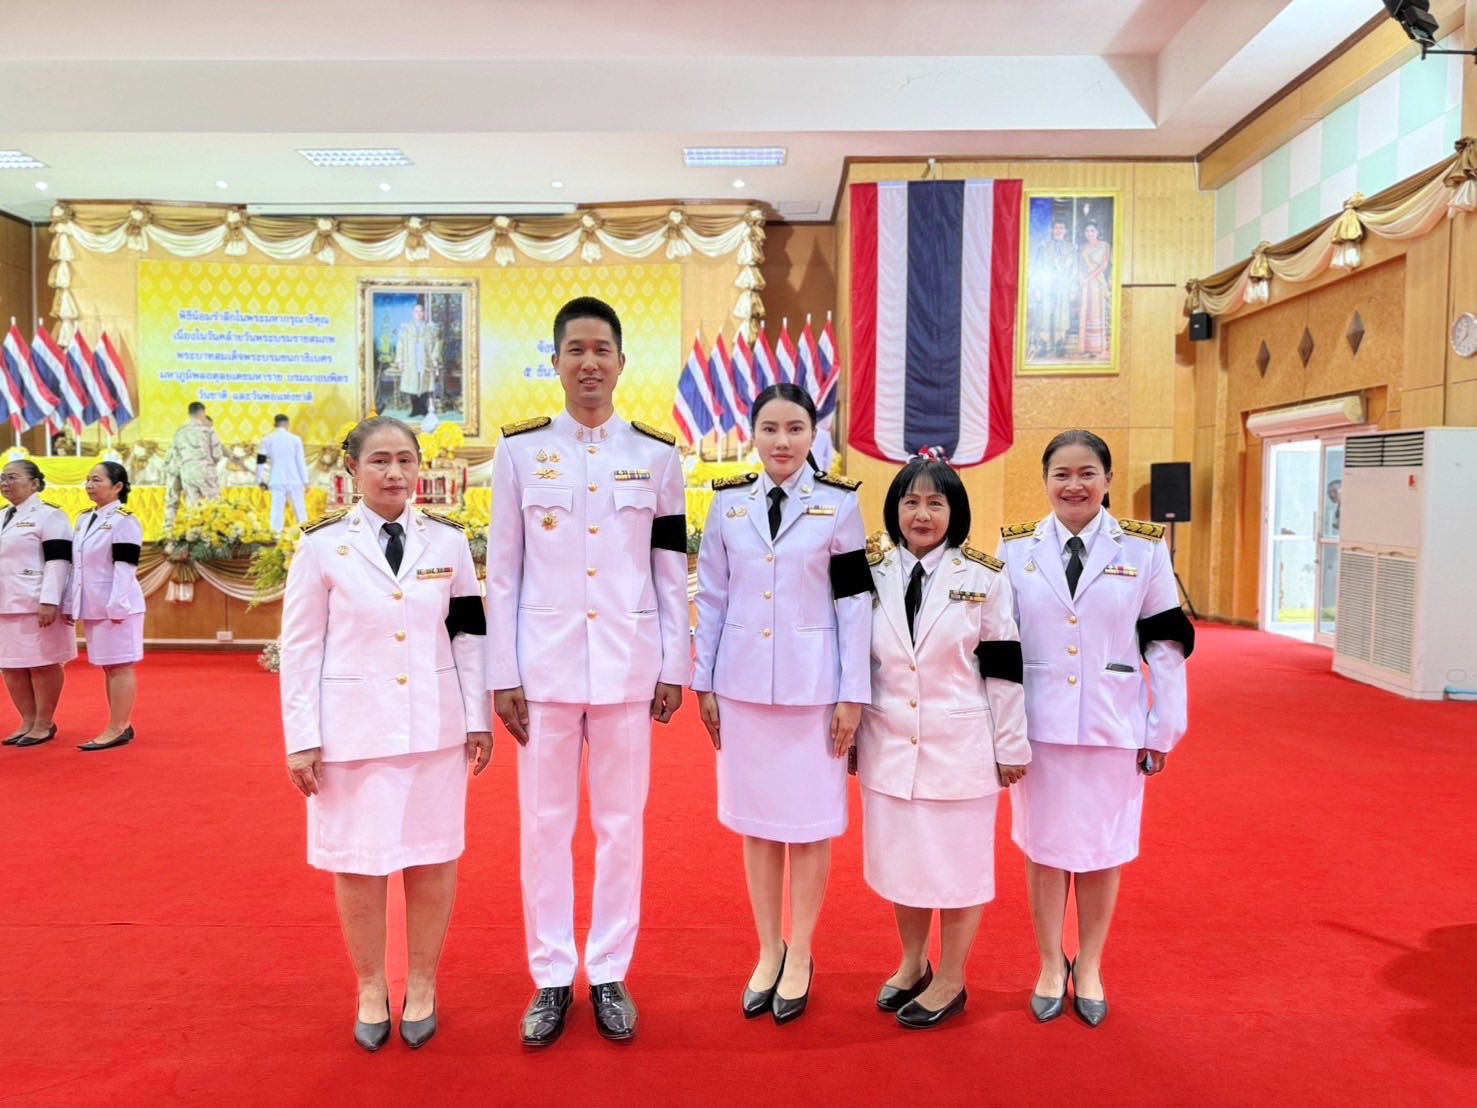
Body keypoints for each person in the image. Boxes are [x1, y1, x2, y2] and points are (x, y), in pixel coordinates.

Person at [487, 296, 688, 1048]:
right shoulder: (519, 453)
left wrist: (674, 662)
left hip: (628, 665)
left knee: (620, 825)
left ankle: (607, 970)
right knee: (544, 826)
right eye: (575, 350)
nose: (589, 363)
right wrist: (503, 672)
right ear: (555, 362)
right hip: (542, 669)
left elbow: (670, 568)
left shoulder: (657, 456)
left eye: (602, 350)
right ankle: (549, 973)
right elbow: (502, 571)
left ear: (622, 362)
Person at [279, 416, 492, 1053]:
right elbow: (300, 648)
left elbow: (469, 634)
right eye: (379, 461)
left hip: (434, 728)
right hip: (352, 733)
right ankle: (371, 986)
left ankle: (422, 983)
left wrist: (476, 717)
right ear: (353, 469)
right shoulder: (322, 546)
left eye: (405, 459)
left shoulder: (449, 542)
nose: (395, 473)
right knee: (358, 863)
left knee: (432, 857)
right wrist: (301, 736)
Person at [997, 430, 1193, 1027]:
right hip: (1041, 726)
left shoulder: (1143, 548)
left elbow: (1165, 643)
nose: (1074, 485)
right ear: (1045, 481)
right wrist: (1002, 730)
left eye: (1087, 473)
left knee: (1104, 851)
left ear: (1108, 479)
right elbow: (1001, 645)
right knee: (1044, 850)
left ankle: (1091, 965)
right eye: (1061, 474)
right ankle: (1048, 963)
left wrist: (1163, 728)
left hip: (1114, 724)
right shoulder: (1016, 549)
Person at [691, 383, 872, 1025]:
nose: (782, 441)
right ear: (753, 433)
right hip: (742, 687)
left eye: (795, 428)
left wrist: (853, 693)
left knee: (810, 825)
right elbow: (712, 596)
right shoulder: (728, 504)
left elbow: (854, 602)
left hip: (812, 689)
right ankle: (769, 948)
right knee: (759, 825)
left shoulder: (838, 505)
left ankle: (802, 949)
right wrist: (704, 681)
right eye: (770, 428)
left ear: (814, 434)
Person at [855, 455, 1028, 1030]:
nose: (922, 514)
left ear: (955, 512)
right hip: (888, 741)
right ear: (894, 509)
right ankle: (913, 963)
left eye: (935, 502)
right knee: (902, 862)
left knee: (958, 866)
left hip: (960, 746)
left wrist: (1011, 744)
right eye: (911, 502)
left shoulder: (984, 578)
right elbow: (854, 660)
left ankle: (951, 976)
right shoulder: (870, 571)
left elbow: (1003, 666)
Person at [66, 462, 146, 751]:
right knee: (109, 667)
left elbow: (125, 567)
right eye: (87, 479)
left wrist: (117, 604)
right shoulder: (85, 518)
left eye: (97, 480)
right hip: (93, 605)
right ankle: (120, 723)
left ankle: (118, 727)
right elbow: (78, 567)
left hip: (117, 605)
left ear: (118, 486)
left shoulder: (125, 520)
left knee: (120, 666)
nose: (89, 485)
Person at [0, 459, 76, 748]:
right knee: (11, 666)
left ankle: (44, 722)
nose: (5, 483)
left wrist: (50, 600)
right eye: (2, 477)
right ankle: (27, 720)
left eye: (12, 477)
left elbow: (59, 561)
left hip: (35, 601)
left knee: (42, 663)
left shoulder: (50, 516)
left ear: (34, 483)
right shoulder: (2, 515)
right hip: (4, 602)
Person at [162, 401, 224, 533]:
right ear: (203, 413)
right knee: (213, 505)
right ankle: (214, 537)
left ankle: (194, 536)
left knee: (193, 508)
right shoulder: (208, 430)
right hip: (205, 471)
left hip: (186, 472)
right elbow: (217, 454)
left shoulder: (180, 432)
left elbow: (174, 454)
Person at [1030, 217, 1077, 360]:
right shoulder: (1044, 247)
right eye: (1056, 228)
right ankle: (1043, 344)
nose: (1058, 231)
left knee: (1061, 314)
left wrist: (1073, 288)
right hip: (1047, 285)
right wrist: (1037, 288)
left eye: (1061, 228)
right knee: (1045, 313)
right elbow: (1037, 268)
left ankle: (1059, 343)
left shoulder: (1071, 249)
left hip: (1063, 286)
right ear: (1052, 230)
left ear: (1065, 231)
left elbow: (1074, 270)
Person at [257, 413, 310, 533]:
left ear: (274, 424)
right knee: (300, 510)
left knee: (276, 511)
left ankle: (275, 535)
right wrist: (306, 481)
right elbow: (300, 461)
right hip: (294, 479)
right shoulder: (295, 439)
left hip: (276, 479)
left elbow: (261, 461)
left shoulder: (267, 439)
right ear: (287, 424)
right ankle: (306, 534)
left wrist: (260, 480)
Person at [396, 301, 442, 418]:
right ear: (413, 313)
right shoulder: (406, 329)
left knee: (425, 384)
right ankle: (415, 409)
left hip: (425, 360)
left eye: (421, 311)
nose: (419, 314)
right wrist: (400, 361)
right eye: (416, 311)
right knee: (413, 385)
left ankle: (423, 409)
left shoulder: (430, 328)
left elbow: (437, 343)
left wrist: (434, 358)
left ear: (424, 313)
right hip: (411, 360)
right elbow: (400, 345)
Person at [1077, 223, 1110, 357]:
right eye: (1087, 231)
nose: (1090, 233)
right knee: (1086, 311)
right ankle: (1086, 347)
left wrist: (1089, 277)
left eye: (1092, 230)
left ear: (1097, 232)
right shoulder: (1082, 248)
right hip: (1086, 283)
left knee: (1096, 311)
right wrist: (1081, 278)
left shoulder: (1104, 245)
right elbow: (1080, 265)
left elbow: (1104, 265)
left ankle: (1097, 348)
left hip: (1097, 282)